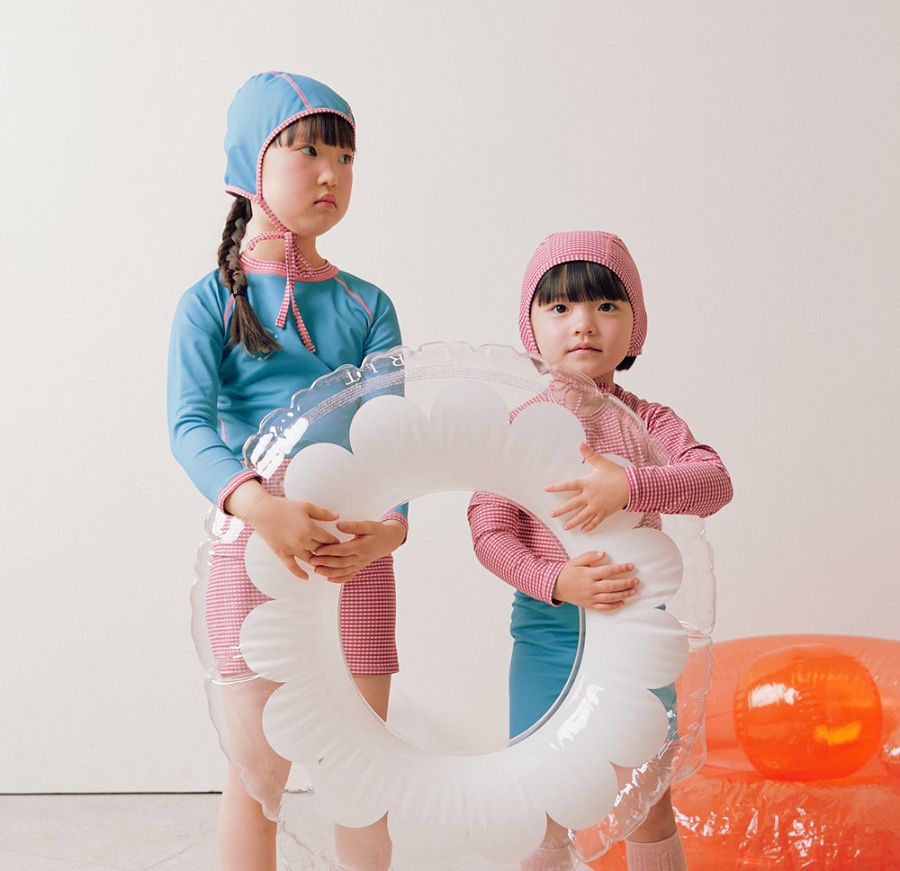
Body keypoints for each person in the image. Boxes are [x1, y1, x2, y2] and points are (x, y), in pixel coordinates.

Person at [168, 71, 405, 871]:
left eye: (346, 156)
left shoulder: (369, 305)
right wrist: (259, 508)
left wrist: (390, 530)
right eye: (308, 152)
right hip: (252, 553)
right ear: (253, 164)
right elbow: (188, 427)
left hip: (356, 559)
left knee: (361, 769)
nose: (331, 173)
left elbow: (393, 437)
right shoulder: (207, 303)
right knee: (257, 773)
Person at [468, 230, 733, 871]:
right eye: (560, 307)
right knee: (542, 798)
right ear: (531, 327)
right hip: (547, 636)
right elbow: (488, 530)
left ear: (634, 325)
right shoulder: (519, 425)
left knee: (647, 797)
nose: (583, 323)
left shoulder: (651, 423)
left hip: (637, 634)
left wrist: (630, 485)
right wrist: (556, 579)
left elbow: (714, 483)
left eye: (606, 306)